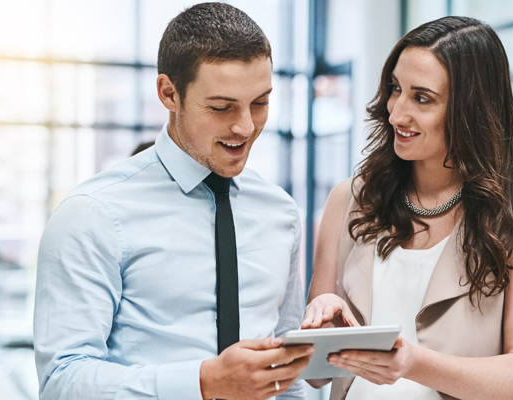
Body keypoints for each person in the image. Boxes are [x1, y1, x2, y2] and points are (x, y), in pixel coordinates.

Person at [33, 3, 312, 400]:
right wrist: (203, 382)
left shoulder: (280, 212)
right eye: (221, 107)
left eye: (261, 103)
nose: (246, 126)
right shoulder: (93, 214)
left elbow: (285, 371)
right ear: (169, 93)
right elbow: (62, 381)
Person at [302, 16, 513, 400]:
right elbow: (316, 376)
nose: (396, 113)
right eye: (395, 89)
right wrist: (322, 322)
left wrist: (412, 363)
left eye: (422, 98)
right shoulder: (350, 199)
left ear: (470, 110)